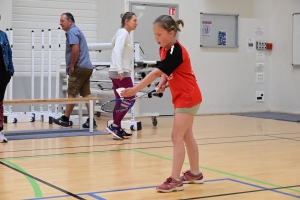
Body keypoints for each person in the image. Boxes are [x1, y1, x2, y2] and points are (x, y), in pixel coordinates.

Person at [121, 15, 204, 192]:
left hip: (188, 97)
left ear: (171, 33)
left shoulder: (176, 50)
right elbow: (167, 71)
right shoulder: (164, 49)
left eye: (159, 34)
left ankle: (175, 179)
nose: (156, 38)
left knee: (176, 136)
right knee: (186, 136)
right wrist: (163, 82)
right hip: (183, 96)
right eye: (154, 34)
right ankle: (195, 173)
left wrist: (136, 89)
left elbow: (156, 72)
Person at [52, 12, 97, 129]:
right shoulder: (77, 31)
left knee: (71, 92)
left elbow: (75, 49)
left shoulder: (72, 31)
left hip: (79, 67)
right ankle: (92, 120)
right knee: (86, 94)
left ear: (70, 22)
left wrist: (72, 65)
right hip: (87, 67)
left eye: (62, 21)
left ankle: (65, 119)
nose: (60, 23)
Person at [106, 12, 138, 140]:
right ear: (126, 21)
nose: (136, 23)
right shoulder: (123, 33)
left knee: (120, 101)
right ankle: (114, 125)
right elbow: (117, 51)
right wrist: (120, 70)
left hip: (117, 71)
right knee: (130, 98)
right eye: (134, 20)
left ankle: (117, 128)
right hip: (121, 72)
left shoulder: (122, 33)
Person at [0, 30, 14, 142]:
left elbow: (9, 53)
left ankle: (0, 132)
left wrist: (10, 71)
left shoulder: (3, 35)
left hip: (2, 73)